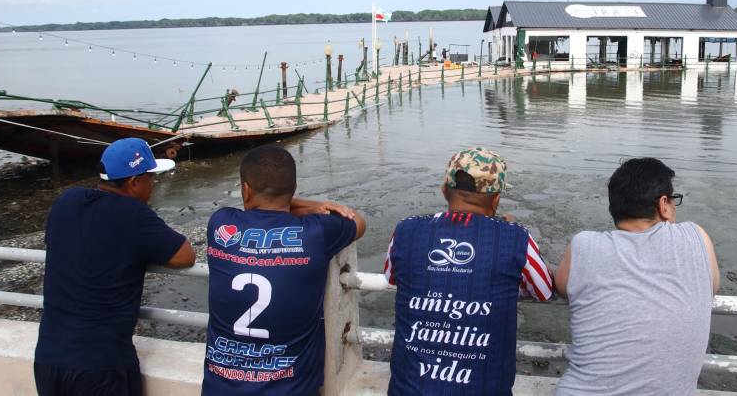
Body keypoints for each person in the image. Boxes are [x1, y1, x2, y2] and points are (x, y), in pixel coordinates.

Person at [384, 147, 554, 395]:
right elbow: (543, 290)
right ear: (496, 199)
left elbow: (391, 277)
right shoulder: (516, 237)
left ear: (444, 190)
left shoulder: (405, 230)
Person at [34, 137, 196, 396]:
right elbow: (185, 256)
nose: (153, 185)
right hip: (100, 367)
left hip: (48, 358)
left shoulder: (67, 201)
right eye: (150, 178)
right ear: (134, 183)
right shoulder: (133, 215)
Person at [203, 144, 366, 395]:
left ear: (245, 190)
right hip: (292, 388)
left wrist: (295, 202)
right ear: (293, 190)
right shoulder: (316, 233)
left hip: (221, 388)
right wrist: (314, 205)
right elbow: (358, 222)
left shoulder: (221, 224)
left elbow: (250, 208)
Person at [554, 157, 720, 396]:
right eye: (673, 201)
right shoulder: (696, 238)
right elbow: (711, 285)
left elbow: (562, 286)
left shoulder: (583, 245)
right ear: (663, 204)